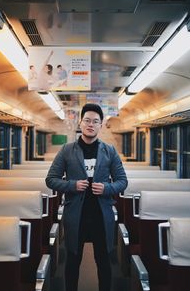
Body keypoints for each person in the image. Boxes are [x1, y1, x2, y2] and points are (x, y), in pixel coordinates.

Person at [45, 103, 128, 291]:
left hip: (101, 215)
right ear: (80, 123)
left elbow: (122, 181)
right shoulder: (67, 150)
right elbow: (51, 180)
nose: (91, 124)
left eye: (95, 121)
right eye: (87, 120)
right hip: (76, 215)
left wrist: (106, 188)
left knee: (104, 261)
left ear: (100, 125)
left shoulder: (109, 151)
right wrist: (72, 185)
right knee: (73, 261)